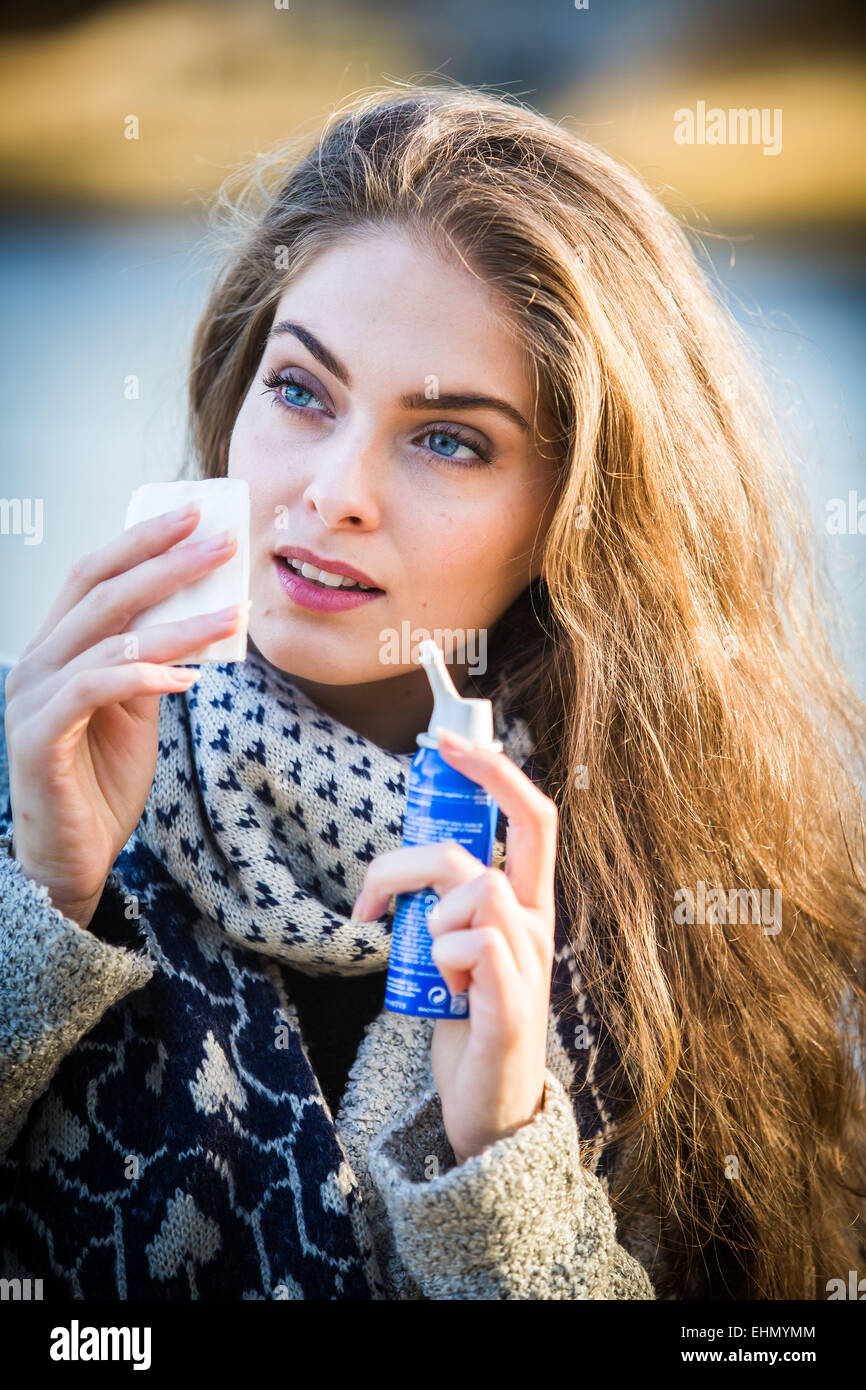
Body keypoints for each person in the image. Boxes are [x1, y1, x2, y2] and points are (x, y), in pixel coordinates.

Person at [1, 82, 864, 1301]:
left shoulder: (711, 925)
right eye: (300, 390)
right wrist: (34, 910)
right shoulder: (28, 765)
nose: (334, 489)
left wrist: (499, 1153)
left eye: (448, 438)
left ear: (574, 522)